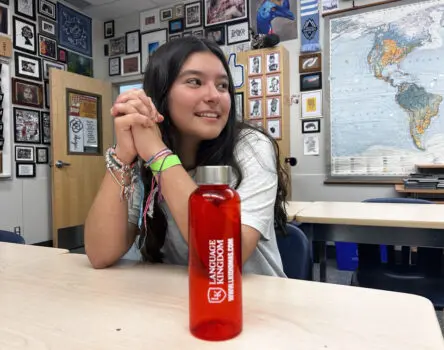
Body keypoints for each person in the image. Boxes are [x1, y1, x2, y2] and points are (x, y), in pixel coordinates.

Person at [84, 37, 289, 277]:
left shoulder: (251, 146)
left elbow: (221, 258)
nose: (214, 95)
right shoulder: (147, 154)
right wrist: (124, 155)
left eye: (223, 86)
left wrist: (157, 154)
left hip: (246, 300)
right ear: (161, 94)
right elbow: (100, 254)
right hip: (175, 299)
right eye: (195, 82)